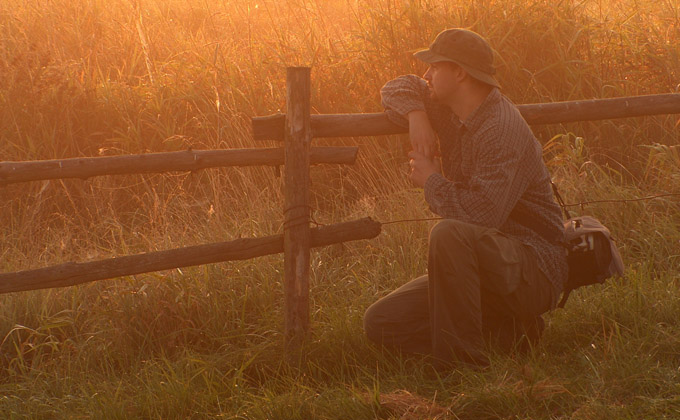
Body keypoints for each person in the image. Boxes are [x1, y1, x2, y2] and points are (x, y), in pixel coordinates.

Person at [363, 28, 568, 369]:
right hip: (486, 264)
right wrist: (417, 117)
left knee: (448, 233)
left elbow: (480, 215)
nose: (426, 75)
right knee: (382, 323)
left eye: (434, 66)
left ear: (459, 73)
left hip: (533, 267)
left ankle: (463, 367)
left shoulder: (500, 130)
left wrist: (431, 180)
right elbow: (398, 86)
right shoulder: (448, 108)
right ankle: (509, 335)